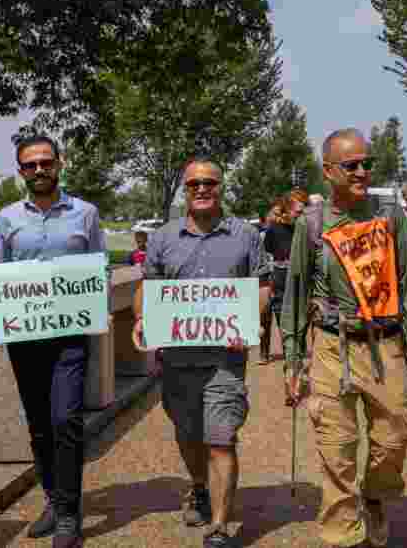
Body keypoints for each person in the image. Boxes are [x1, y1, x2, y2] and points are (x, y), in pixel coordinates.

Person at [282, 128, 407, 548]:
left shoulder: (389, 215)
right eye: (352, 165)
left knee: (395, 436)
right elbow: (293, 295)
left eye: (367, 163)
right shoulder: (310, 225)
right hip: (333, 347)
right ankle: (342, 536)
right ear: (328, 171)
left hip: (387, 346)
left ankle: (376, 495)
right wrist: (293, 361)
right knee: (337, 451)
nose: (363, 171)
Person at [131, 158, 271, 548]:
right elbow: (149, 288)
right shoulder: (162, 238)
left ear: (221, 187)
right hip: (177, 359)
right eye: (194, 184)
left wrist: (249, 320)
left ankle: (221, 525)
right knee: (188, 434)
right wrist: (142, 318)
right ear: (185, 190)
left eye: (210, 182)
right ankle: (199, 485)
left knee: (221, 438)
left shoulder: (246, 236)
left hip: (226, 359)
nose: (202, 189)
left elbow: (261, 286)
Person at [0, 135, 105, 548]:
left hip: (69, 335)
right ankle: (52, 499)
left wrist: (96, 299)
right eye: (30, 165)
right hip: (25, 336)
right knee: (38, 426)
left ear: (59, 164)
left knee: (66, 420)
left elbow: (98, 269)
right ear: (21, 171)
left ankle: (69, 514)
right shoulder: (7, 218)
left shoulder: (86, 214)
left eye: (45, 163)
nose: (38, 170)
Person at [260, 191, 309, 364]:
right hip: (281, 279)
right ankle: (290, 355)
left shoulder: (304, 228)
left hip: (301, 279)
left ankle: (300, 352)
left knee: (302, 316)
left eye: (304, 212)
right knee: (282, 316)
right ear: (287, 210)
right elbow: (268, 252)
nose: (301, 216)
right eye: (298, 212)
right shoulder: (274, 229)